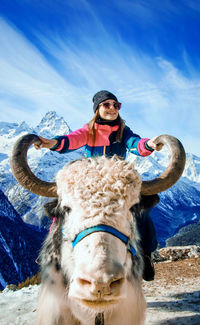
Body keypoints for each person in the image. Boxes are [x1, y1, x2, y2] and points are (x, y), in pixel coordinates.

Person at [34, 90, 163, 281]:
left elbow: (136, 144)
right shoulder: (89, 130)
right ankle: (55, 254)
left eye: (116, 105)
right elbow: (71, 140)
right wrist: (51, 143)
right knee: (61, 210)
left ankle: (145, 254)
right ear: (97, 109)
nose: (112, 108)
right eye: (107, 105)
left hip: (116, 182)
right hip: (91, 181)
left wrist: (150, 144)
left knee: (142, 211)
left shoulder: (123, 131)